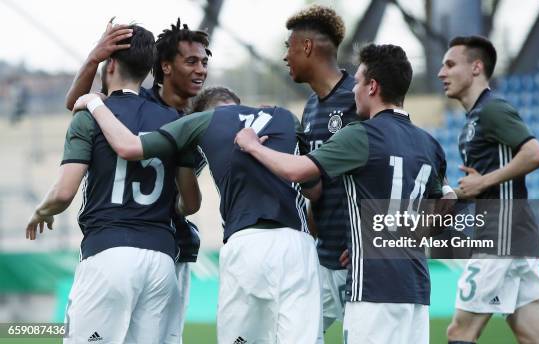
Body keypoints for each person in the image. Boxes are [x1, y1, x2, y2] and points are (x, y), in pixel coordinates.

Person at [71, 87, 321, 344]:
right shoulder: (285, 116)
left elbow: (129, 146)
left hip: (244, 246)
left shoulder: (203, 121)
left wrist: (93, 103)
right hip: (297, 246)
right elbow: (314, 189)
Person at [236, 43, 449, 344]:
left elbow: (297, 171)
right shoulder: (429, 143)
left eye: (359, 82)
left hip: (372, 290)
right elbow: (447, 203)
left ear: (373, 87)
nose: (353, 90)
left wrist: (252, 145)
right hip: (416, 289)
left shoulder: (361, 134)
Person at [26, 25, 201, 343]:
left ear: (110, 65)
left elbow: (64, 193)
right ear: (150, 69)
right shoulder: (176, 121)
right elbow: (190, 204)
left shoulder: (92, 113)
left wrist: (41, 211)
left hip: (108, 255)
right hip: (162, 261)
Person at [438, 35, 539, 344]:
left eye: (450, 64)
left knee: (459, 332)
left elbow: (536, 154)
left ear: (477, 67)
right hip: (510, 234)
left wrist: (483, 181)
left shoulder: (493, 109)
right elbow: (489, 182)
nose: (441, 73)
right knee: (534, 338)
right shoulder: (472, 121)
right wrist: (459, 192)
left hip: (501, 236)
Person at [283, 6, 358, 339]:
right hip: (325, 257)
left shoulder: (359, 97)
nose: (286, 56)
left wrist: (370, 243)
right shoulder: (312, 106)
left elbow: (396, 166)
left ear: (307, 47)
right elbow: (317, 185)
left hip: (358, 258)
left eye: (289, 47)